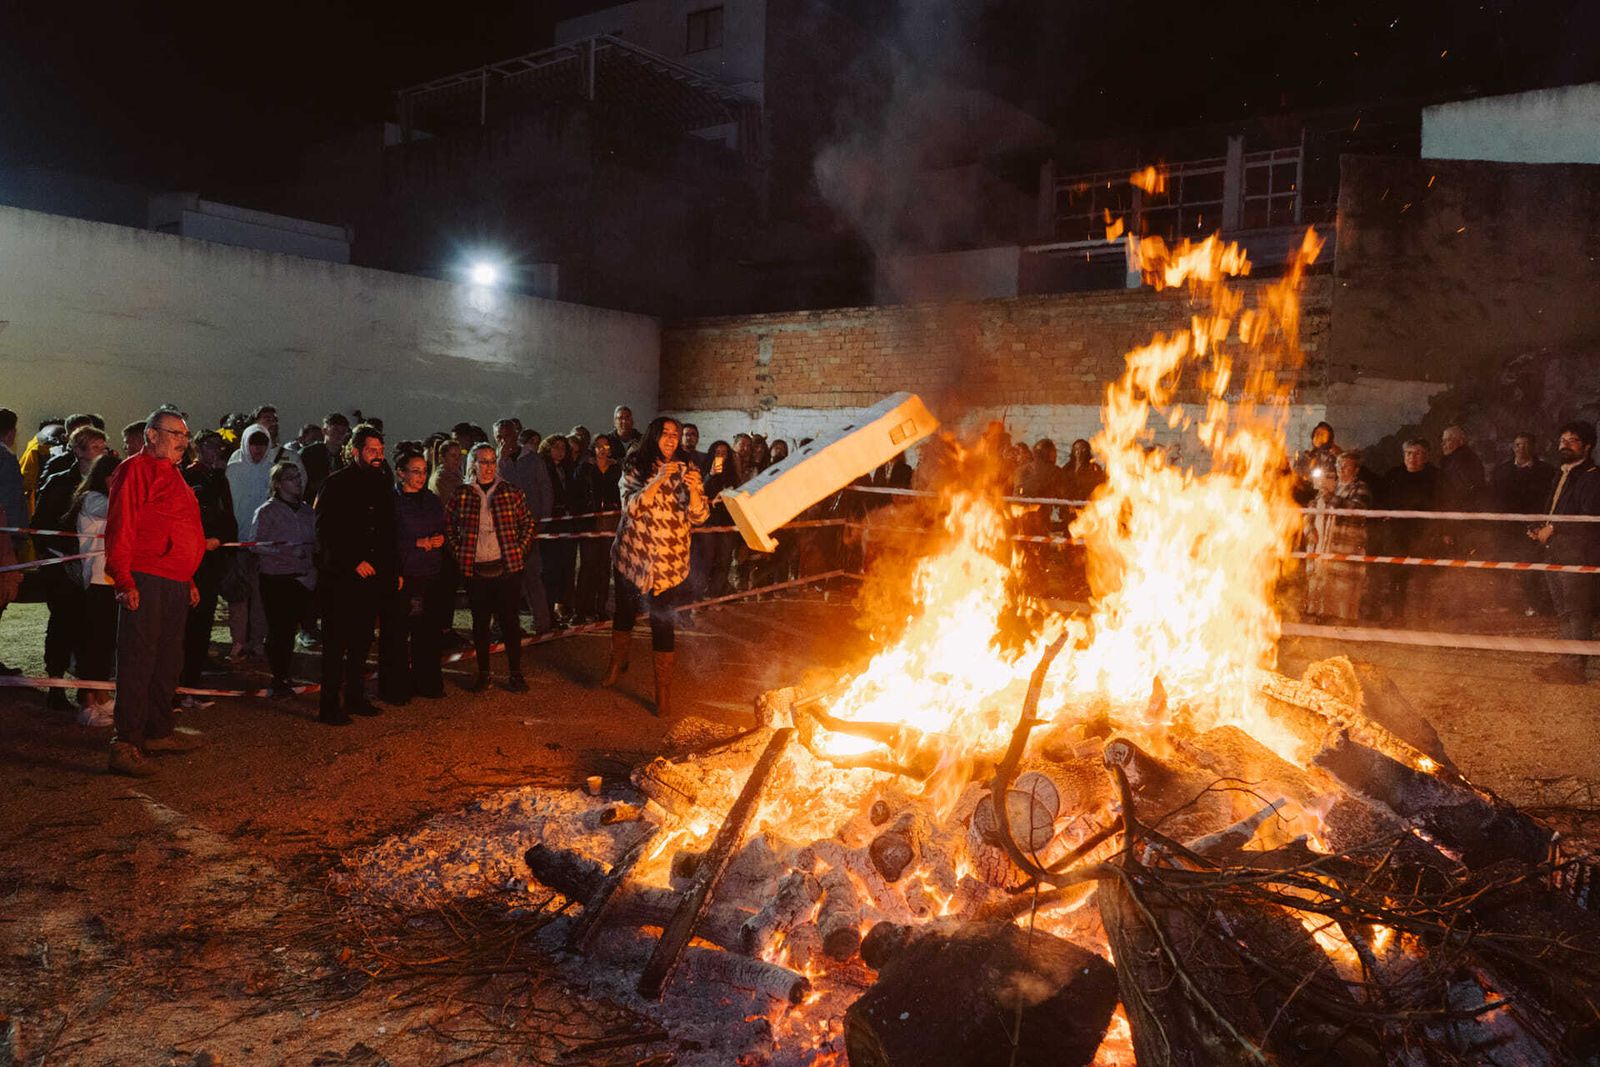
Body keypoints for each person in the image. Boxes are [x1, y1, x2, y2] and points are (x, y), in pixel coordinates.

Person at [103, 410, 206, 777]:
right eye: (175, 433)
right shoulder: (135, 470)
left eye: (186, 435)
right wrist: (123, 579)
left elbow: (181, 527)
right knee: (139, 659)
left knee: (167, 661)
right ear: (151, 435)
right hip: (146, 577)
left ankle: (157, 731)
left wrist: (187, 577)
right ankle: (125, 743)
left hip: (174, 580)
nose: (183, 441)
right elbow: (121, 526)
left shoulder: (175, 474)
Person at [602, 417, 709, 715]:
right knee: (624, 612)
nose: (672, 439)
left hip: (668, 562)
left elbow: (700, 516)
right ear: (654, 436)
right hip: (632, 557)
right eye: (666, 434)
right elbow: (631, 508)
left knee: (662, 622)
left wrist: (695, 490)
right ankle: (617, 663)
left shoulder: (688, 467)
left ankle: (663, 690)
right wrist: (658, 479)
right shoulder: (635, 464)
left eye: (676, 434)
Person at [314, 424, 397, 725]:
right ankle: (329, 705)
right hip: (340, 580)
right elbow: (325, 532)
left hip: (371, 579)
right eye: (372, 450)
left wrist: (392, 569)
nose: (378, 456)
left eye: (381, 451)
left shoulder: (382, 483)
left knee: (362, 642)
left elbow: (388, 530)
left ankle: (355, 696)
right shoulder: (335, 484)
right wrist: (351, 561)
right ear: (356, 451)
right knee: (336, 644)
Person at [32, 424, 110, 710]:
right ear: (77, 451)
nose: (101, 453)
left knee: (91, 630)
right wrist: (65, 557)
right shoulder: (59, 482)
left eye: (103, 447)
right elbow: (40, 526)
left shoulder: (102, 484)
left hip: (92, 568)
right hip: (62, 568)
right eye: (95, 447)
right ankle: (56, 684)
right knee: (62, 625)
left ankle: (87, 689)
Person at [444, 444, 534, 692]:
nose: (488, 466)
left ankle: (516, 673)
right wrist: (460, 551)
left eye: (492, 461)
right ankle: (484, 673)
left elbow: (528, 523)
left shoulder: (510, 492)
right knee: (480, 623)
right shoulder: (462, 494)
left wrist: (518, 551)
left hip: (507, 569)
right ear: (473, 464)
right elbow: (448, 526)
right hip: (476, 570)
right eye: (483, 461)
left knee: (510, 623)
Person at [1529, 421, 1600, 683]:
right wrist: (1540, 527)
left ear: (1588, 446)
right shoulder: (1562, 473)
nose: (1565, 445)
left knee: (1576, 610)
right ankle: (1566, 662)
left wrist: (1553, 528)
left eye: (1572, 440)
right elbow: (1554, 509)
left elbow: (1588, 516)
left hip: (1577, 555)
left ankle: (1575, 668)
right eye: (1562, 440)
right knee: (1563, 610)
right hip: (1555, 551)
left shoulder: (1593, 477)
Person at [380, 448, 449, 702]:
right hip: (404, 574)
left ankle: (428, 682)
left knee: (428, 632)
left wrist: (440, 538)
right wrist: (415, 543)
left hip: (430, 572)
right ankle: (396, 688)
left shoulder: (430, 499)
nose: (421, 476)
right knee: (397, 633)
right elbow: (385, 540)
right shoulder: (391, 502)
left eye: (424, 471)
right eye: (415, 471)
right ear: (401, 473)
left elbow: (442, 525)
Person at [249, 463, 317, 697]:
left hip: (304, 578)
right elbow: (255, 544)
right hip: (277, 578)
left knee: (296, 628)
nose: (297, 481)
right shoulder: (267, 511)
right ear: (278, 484)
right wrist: (285, 552)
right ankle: (279, 676)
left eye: (298, 477)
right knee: (280, 629)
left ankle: (288, 671)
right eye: (291, 478)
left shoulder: (307, 511)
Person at [67, 453, 120, 722]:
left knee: (105, 642)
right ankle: (87, 703)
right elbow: (117, 511)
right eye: (115, 477)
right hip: (98, 579)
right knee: (94, 642)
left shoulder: (104, 497)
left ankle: (101, 696)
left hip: (112, 580)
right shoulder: (92, 499)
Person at [181, 431, 237, 689]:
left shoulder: (219, 478)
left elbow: (227, 514)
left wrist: (224, 541)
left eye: (219, 446)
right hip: (194, 553)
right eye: (211, 445)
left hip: (214, 554)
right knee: (192, 616)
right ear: (198, 446)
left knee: (205, 615)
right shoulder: (188, 475)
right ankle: (185, 673)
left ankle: (196, 667)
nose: (216, 451)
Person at [224, 424, 275, 661]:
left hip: (263, 543)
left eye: (262, 444)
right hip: (239, 541)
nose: (258, 449)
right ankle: (238, 640)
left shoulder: (271, 470)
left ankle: (258, 640)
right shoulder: (233, 469)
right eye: (253, 444)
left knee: (260, 595)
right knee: (238, 594)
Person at [1492, 431, 1558, 616]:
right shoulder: (1501, 471)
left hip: (1532, 527)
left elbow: (1549, 499)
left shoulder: (1546, 471)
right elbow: (1494, 497)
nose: (1521, 448)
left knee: (1530, 566)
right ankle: (1504, 603)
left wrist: (1540, 524)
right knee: (1502, 565)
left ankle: (1534, 604)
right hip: (1506, 528)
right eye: (1517, 445)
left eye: (1525, 444)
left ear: (1533, 447)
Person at [1305, 451, 1374, 623]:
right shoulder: (1330, 486)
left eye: (1346, 465)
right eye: (1338, 465)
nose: (1341, 469)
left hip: (1346, 543)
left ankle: (1344, 618)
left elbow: (1357, 509)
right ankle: (1321, 613)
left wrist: (1332, 498)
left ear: (1356, 469)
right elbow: (1311, 509)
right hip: (1323, 543)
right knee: (1323, 579)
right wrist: (1309, 528)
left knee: (1344, 583)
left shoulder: (1360, 488)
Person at [1377, 438, 1440, 623]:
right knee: (1396, 577)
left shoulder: (1436, 477)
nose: (1412, 458)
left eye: (1417, 453)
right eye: (1408, 453)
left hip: (1424, 533)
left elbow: (1442, 503)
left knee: (1423, 578)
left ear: (1426, 456)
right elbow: (1382, 499)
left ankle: (1423, 617)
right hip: (1397, 534)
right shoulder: (1393, 475)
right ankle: (1397, 616)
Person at [503, 430, 553, 633]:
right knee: (507, 581)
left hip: (529, 528)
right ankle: (507, 625)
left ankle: (542, 623)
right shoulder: (496, 462)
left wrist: (542, 522)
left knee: (532, 576)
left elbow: (546, 490)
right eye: (499, 436)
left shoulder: (533, 460)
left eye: (506, 435)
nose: (503, 440)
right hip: (505, 531)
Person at [571, 434, 622, 622]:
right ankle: (581, 610)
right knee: (587, 566)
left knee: (604, 566)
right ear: (593, 448)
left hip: (609, 522)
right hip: (590, 522)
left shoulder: (616, 469)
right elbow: (575, 494)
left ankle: (600, 608)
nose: (602, 449)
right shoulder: (585, 468)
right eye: (599, 445)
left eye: (606, 445)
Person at [690, 440, 740, 600]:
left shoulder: (732, 474)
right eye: (717, 452)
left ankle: (714, 596)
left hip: (726, 521)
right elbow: (698, 493)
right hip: (708, 521)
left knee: (724, 559)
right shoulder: (703, 471)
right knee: (705, 559)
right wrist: (710, 475)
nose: (721, 456)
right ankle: (697, 597)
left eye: (724, 453)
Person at [539, 434, 578, 624]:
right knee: (551, 569)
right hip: (551, 522)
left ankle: (562, 606)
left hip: (567, 521)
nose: (560, 451)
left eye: (563, 447)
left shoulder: (566, 468)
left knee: (566, 566)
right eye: (556, 447)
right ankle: (547, 611)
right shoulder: (544, 469)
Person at [1437, 425, 1487, 558]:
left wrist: (1448, 528)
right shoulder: (1452, 460)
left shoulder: (1463, 460)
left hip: (1462, 520)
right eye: (1443, 440)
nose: (1443, 444)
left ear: (1460, 441)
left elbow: (1457, 496)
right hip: (1459, 519)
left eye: (1447, 440)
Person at [300, 412, 350, 501]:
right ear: (324, 431)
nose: (339, 434)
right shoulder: (309, 453)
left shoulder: (347, 455)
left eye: (343, 431)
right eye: (335, 430)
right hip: (313, 500)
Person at [1293, 421, 1342, 505]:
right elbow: (1297, 474)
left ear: (1329, 437)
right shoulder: (1306, 456)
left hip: (1325, 494)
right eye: (1317, 433)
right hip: (1305, 494)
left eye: (1322, 434)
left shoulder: (1335, 455)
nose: (1319, 436)